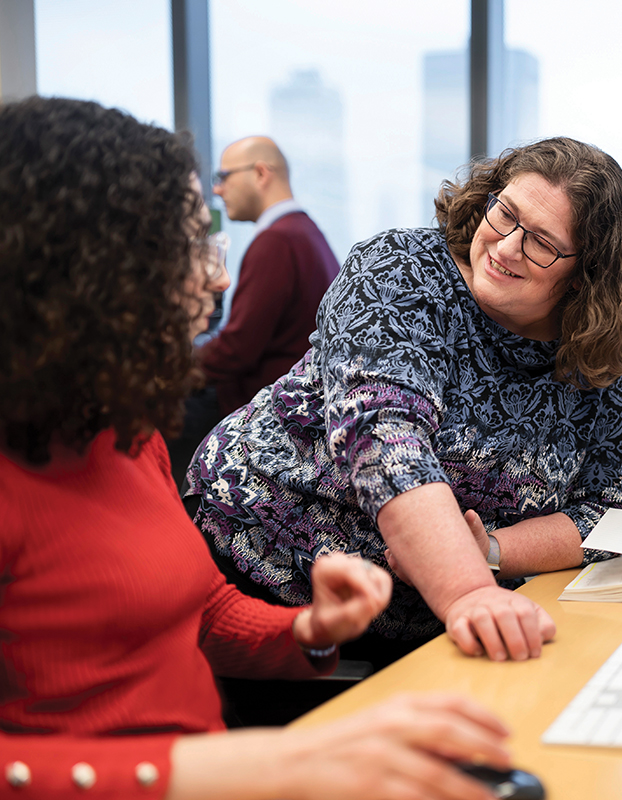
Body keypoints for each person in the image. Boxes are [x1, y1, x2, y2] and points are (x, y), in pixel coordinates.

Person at [0, 97, 512, 800]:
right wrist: (253, 766)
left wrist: (310, 628)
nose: (214, 277)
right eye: (189, 244)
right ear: (83, 270)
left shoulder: (124, 429)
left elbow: (201, 611)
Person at [185, 137, 622, 667]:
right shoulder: (403, 270)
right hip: (264, 566)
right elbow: (387, 442)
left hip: (432, 618)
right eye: (504, 214)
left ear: (588, 276)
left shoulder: (595, 352)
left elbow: (614, 511)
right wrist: (468, 590)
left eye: (542, 243)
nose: (506, 247)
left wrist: (490, 552)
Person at [165, 136, 340, 488]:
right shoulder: (307, 233)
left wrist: (169, 369)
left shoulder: (278, 240)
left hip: (262, 414)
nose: (217, 189)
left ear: (261, 173)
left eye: (224, 176)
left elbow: (239, 348)